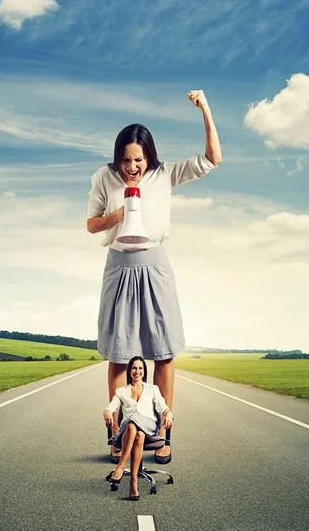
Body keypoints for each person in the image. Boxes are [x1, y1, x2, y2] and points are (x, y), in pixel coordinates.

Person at [88, 90, 222, 464]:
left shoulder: (165, 175)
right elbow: (90, 224)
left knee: (164, 353)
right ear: (118, 158)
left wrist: (206, 111)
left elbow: (213, 159)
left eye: (139, 159)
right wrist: (114, 217)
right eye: (126, 160)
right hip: (118, 267)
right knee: (117, 354)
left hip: (156, 266)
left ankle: (162, 437)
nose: (132, 167)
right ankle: (117, 437)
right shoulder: (104, 177)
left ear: (149, 157)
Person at [103, 356, 173, 501]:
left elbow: (162, 406)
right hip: (128, 430)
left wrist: (168, 413)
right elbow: (111, 407)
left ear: (144, 371)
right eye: (134, 368)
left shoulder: (153, 389)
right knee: (135, 430)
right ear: (129, 371)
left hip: (148, 425)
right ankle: (133, 483)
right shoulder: (121, 391)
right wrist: (107, 412)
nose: (137, 371)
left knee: (133, 423)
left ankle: (121, 466)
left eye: (140, 368)